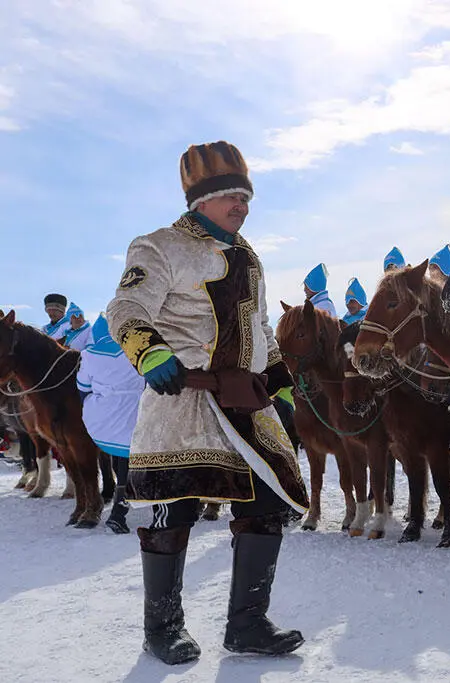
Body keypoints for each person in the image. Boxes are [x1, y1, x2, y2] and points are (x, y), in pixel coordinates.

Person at [107, 140, 309, 665]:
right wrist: (149, 353)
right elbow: (126, 307)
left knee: (266, 508)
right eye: (229, 197)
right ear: (200, 200)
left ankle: (247, 624)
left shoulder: (248, 256)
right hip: (183, 403)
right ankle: (162, 629)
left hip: (246, 405)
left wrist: (280, 377)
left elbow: (260, 326)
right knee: (174, 511)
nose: (241, 205)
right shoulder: (159, 245)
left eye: (245, 197)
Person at [76, 313, 145, 533]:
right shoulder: (136, 350)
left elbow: (82, 387)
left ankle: (119, 506)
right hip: (135, 412)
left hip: (104, 418)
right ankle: (119, 510)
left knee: (117, 456)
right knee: (126, 460)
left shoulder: (89, 355)